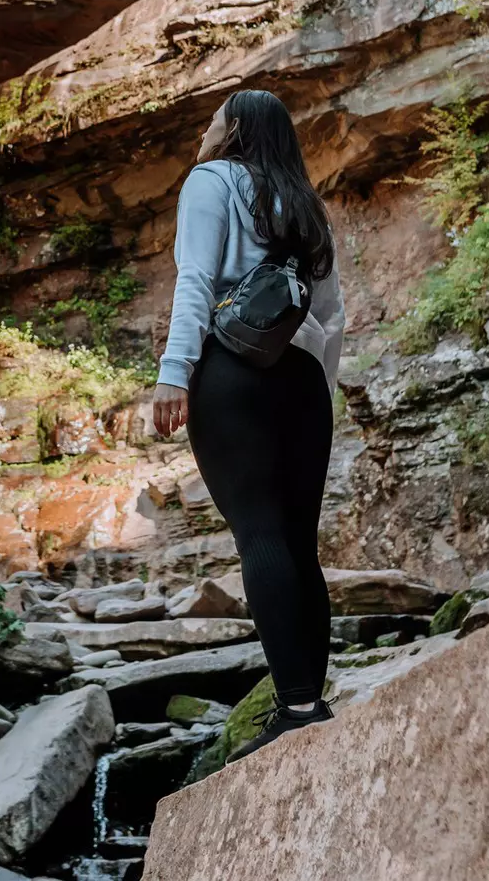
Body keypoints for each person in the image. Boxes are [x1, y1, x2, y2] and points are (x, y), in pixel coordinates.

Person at [153, 89, 344, 763]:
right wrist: (318, 394)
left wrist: (175, 372)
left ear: (233, 129)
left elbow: (196, 281)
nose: (205, 127)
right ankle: (310, 702)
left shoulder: (209, 181)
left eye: (213, 117)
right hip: (301, 382)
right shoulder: (304, 203)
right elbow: (332, 313)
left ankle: (294, 706)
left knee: (259, 534)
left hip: (231, 375)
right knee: (300, 545)